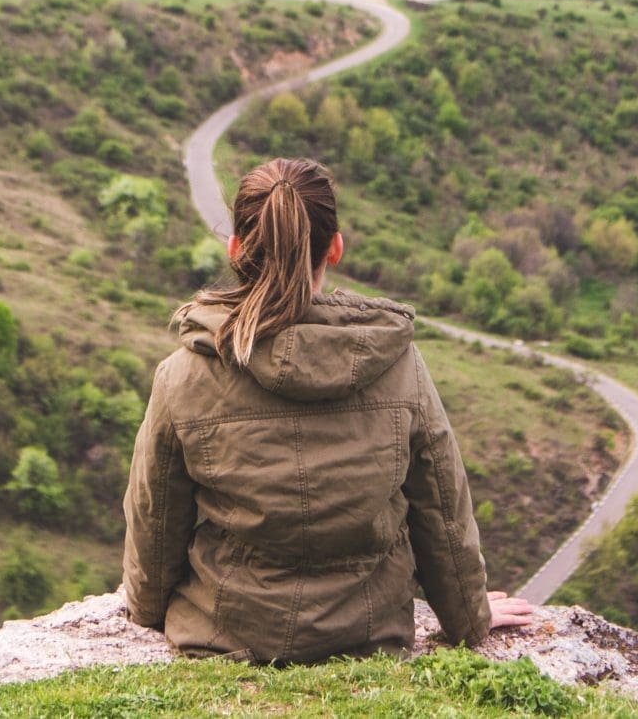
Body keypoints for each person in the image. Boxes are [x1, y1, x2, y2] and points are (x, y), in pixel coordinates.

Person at [122, 157, 532, 664]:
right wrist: (469, 619)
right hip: (368, 637)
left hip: (223, 635)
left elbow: (155, 519)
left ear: (235, 250)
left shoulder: (183, 374)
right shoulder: (397, 364)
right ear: (334, 247)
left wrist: (145, 609)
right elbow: (441, 510)